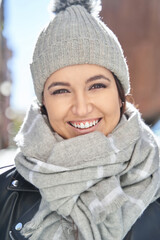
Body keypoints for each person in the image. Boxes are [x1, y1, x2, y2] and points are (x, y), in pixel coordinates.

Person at [0, 0, 160, 239]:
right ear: (44, 105)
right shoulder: (4, 191)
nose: (82, 108)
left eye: (96, 85)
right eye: (61, 91)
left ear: (120, 96)